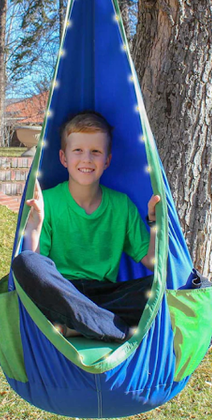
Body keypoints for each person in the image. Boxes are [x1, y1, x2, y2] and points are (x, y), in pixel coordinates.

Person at [12, 111, 160, 343]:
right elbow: (36, 263)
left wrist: (154, 223)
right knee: (25, 262)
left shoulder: (121, 205)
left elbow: (153, 262)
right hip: (62, 291)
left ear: (107, 160)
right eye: (78, 151)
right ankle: (112, 328)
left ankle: (79, 326)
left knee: (158, 289)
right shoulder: (49, 201)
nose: (87, 159)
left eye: (96, 152)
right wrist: (35, 224)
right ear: (64, 158)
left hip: (106, 295)